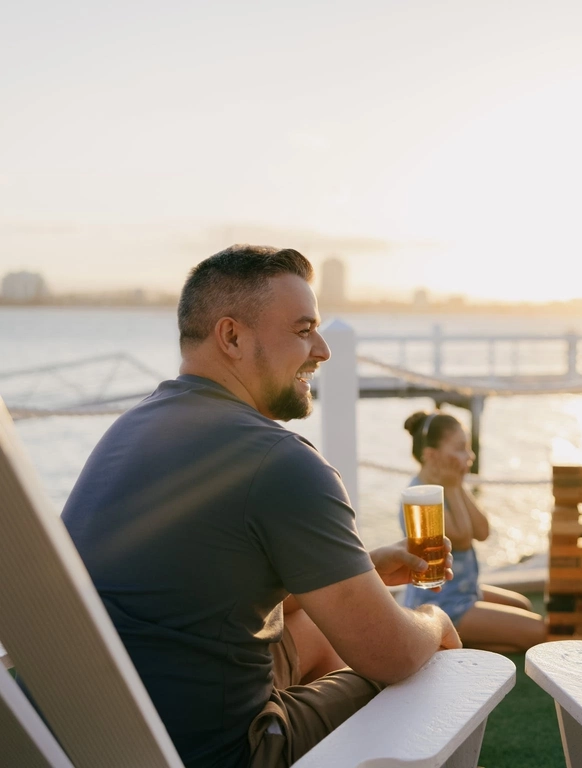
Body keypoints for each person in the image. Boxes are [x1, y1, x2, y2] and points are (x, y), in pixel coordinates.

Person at [61, 245, 462, 768]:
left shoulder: (130, 432)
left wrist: (357, 575)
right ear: (231, 336)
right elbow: (391, 655)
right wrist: (432, 618)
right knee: (433, 645)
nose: (322, 349)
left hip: (98, 739)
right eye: (302, 330)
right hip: (220, 753)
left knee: (320, 629)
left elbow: (197, 591)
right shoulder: (279, 461)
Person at [399, 410, 547, 653]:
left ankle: (460, 645)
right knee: (539, 633)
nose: (470, 456)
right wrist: (454, 486)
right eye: (459, 449)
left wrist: (456, 485)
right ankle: (445, 638)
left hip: (466, 593)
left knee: (524, 605)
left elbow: (482, 531)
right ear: (431, 456)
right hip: (441, 603)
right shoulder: (420, 498)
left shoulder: (449, 482)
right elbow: (463, 539)